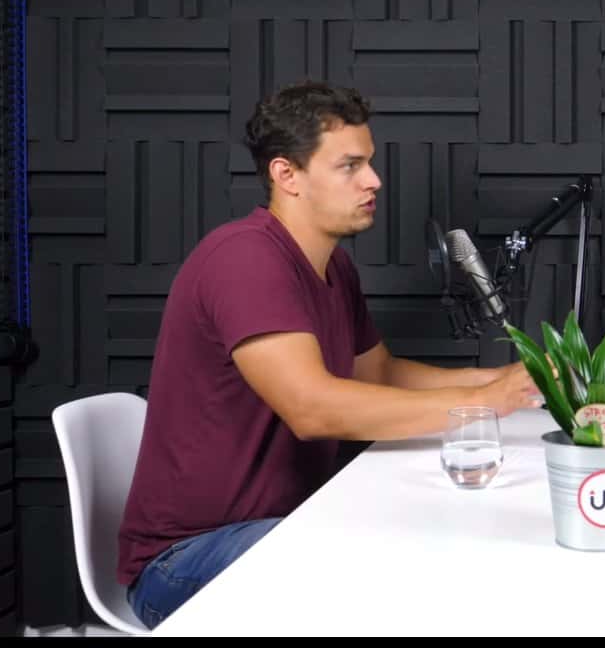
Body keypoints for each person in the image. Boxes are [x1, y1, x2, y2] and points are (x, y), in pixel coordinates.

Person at [117, 81, 541, 629]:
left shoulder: (333, 267)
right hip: (186, 561)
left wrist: (504, 378)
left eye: (369, 162)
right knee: (378, 574)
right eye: (349, 166)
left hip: (283, 527)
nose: (374, 180)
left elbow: (379, 373)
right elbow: (312, 409)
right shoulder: (245, 259)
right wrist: (487, 403)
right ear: (286, 175)